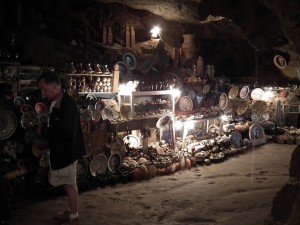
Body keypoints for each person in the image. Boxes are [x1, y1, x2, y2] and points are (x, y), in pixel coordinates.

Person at [37, 71, 86, 225]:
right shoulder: (57, 100)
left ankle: (74, 217)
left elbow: (66, 131)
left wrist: (45, 131)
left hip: (68, 151)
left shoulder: (68, 104)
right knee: (68, 183)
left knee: (70, 184)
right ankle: (72, 211)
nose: (42, 92)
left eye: (44, 88)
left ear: (56, 86)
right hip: (64, 149)